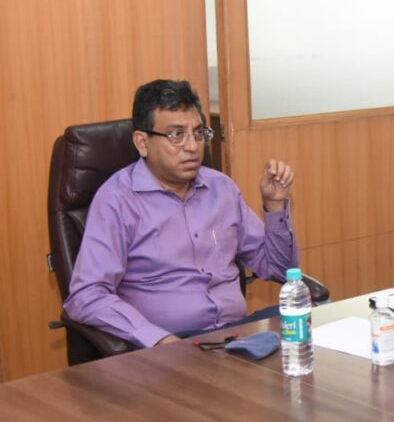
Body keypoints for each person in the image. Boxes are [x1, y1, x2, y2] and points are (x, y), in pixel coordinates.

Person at [64, 79, 299, 348]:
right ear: (142, 142)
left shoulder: (221, 188)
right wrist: (158, 339)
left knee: (311, 323)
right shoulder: (116, 200)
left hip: (236, 337)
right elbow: (87, 294)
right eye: (176, 135)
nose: (192, 146)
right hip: (172, 345)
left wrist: (274, 206)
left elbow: (280, 269)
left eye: (198, 133)